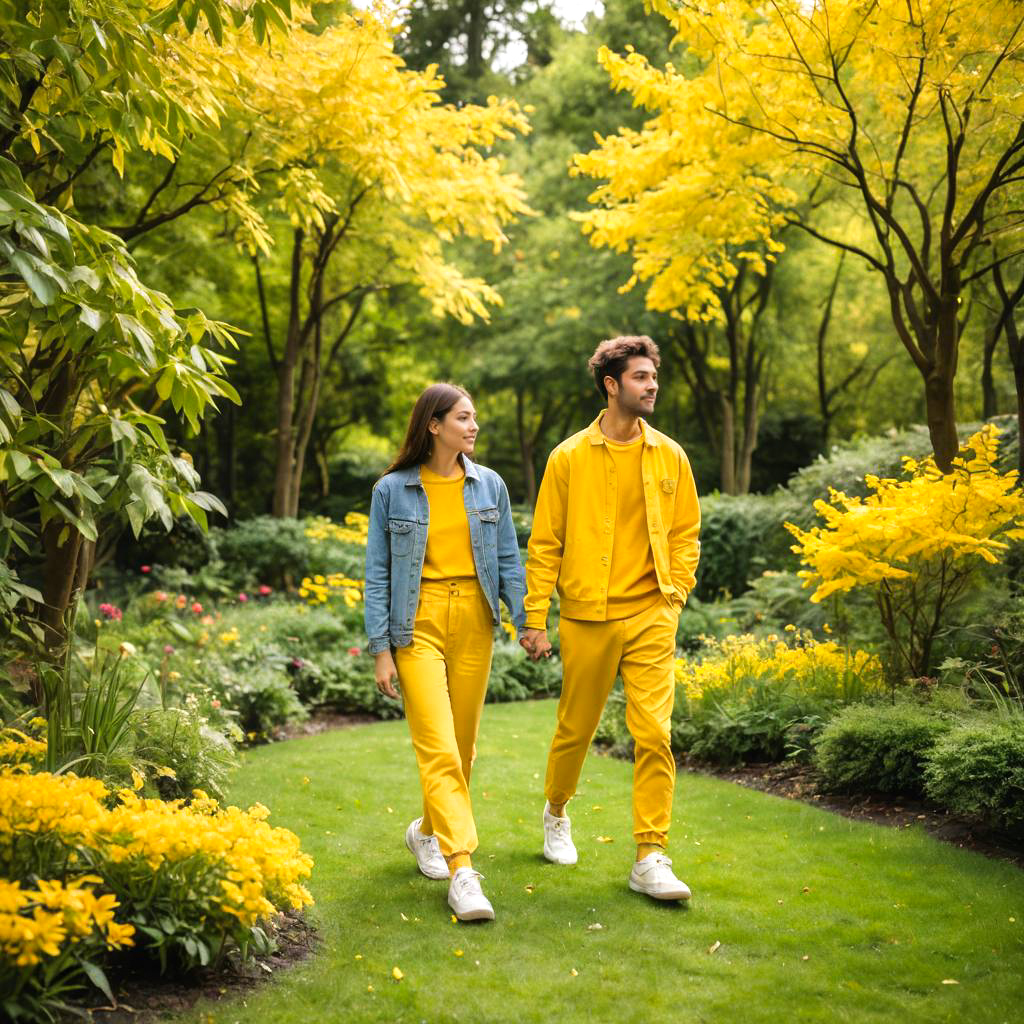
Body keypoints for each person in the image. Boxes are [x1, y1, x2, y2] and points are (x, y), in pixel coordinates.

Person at [521, 336, 700, 901]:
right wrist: (535, 616)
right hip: (587, 617)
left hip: (652, 614)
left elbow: (685, 535)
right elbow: (545, 542)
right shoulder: (568, 456)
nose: (652, 385)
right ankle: (556, 810)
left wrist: (674, 600)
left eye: (654, 376)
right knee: (576, 729)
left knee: (654, 734)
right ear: (611, 384)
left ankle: (651, 855)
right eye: (642, 377)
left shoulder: (670, 455)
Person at [364, 383, 527, 922]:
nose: (474, 426)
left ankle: (426, 832)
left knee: (463, 749)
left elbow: (508, 560)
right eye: (463, 417)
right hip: (418, 624)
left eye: (474, 417)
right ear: (434, 425)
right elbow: (379, 573)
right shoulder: (392, 490)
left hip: (475, 622)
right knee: (438, 749)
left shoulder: (490, 487)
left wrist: (529, 623)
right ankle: (462, 870)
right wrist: (381, 650)